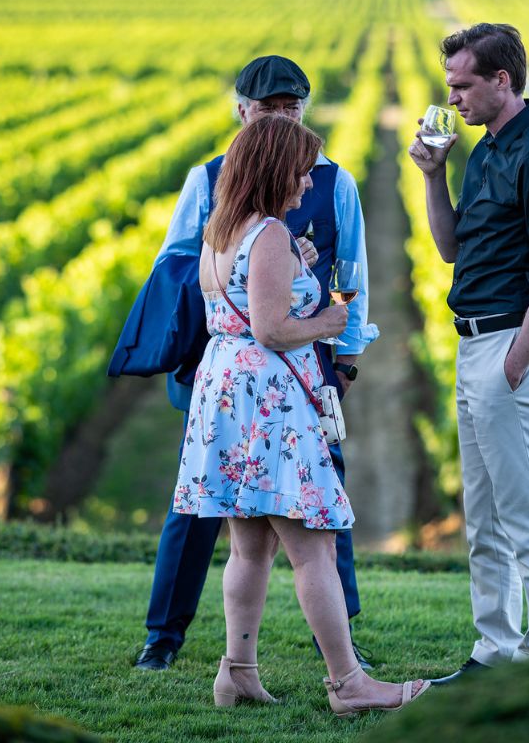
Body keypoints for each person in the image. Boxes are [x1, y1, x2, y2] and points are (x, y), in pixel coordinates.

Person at [132, 55, 378, 672]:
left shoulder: (335, 181)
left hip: (301, 364)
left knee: (321, 497)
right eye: (270, 109)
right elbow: (174, 267)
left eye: (293, 109)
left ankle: (337, 636)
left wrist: (345, 362)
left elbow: (354, 273)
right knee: (203, 507)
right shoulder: (207, 179)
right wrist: (262, 271)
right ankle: (164, 635)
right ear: (242, 111)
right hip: (237, 360)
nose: (282, 119)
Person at [174, 114, 426, 714]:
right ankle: (349, 683)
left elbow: (244, 303)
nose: (310, 182)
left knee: (249, 547)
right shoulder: (267, 234)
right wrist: (330, 322)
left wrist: (294, 261)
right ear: (274, 170)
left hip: (228, 393)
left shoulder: (222, 230)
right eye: (302, 171)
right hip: (271, 401)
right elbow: (271, 328)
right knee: (314, 546)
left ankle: (237, 673)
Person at [407, 23, 529, 682]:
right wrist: (433, 176)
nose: (452, 97)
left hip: (514, 345)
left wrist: (514, 363)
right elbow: (452, 248)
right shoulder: (485, 149)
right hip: (475, 345)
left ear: (501, 80)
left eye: (462, 85)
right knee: (484, 521)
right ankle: (494, 651)